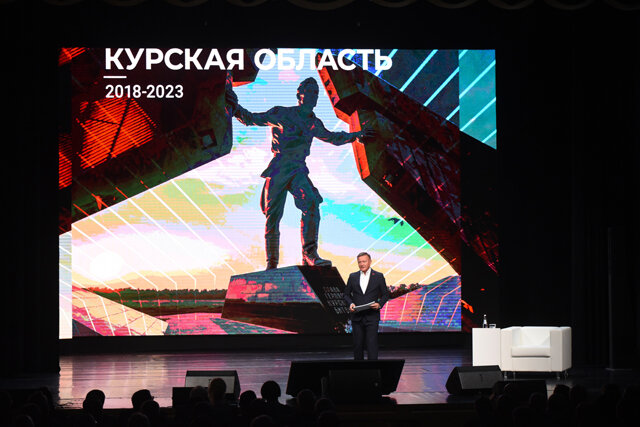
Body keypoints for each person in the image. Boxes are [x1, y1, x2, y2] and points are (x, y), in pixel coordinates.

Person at [227, 77, 370, 270]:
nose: (313, 96)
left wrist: (355, 135)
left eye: (316, 93)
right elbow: (251, 118)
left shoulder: (314, 123)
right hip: (279, 168)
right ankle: (271, 264)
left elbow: (333, 137)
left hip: (298, 170)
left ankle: (309, 255)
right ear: (299, 95)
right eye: (309, 91)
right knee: (272, 216)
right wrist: (233, 105)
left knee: (311, 203)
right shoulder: (282, 114)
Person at [343, 252, 390, 360]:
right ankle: (359, 369)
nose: (362, 264)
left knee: (372, 345)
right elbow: (346, 294)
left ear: (370, 262)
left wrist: (379, 304)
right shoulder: (353, 276)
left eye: (364, 261)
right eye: (359, 262)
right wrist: (350, 303)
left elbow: (385, 294)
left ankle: (373, 369)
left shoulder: (378, 276)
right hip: (357, 317)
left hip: (372, 317)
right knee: (357, 345)